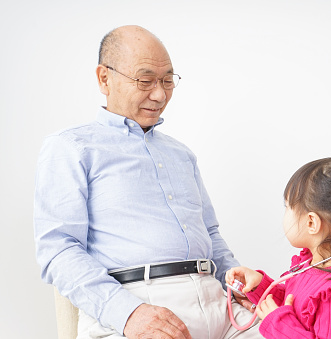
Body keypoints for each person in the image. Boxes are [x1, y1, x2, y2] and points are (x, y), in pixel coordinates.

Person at [34, 25, 261, 339]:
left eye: (168, 81)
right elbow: (58, 251)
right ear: (104, 78)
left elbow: (210, 234)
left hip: (218, 302)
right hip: (137, 304)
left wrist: (237, 283)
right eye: (145, 80)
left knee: (294, 330)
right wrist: (127, 313)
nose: (160, 94)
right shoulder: (71, 148)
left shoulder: (182, 154)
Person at [226, 157, 331, 338]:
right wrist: (260, 285)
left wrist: (279, 325)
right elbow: (296, 309)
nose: (285, 214)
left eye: (288, 206)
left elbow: (290, 321)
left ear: (311, 222)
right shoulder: (310, 266)